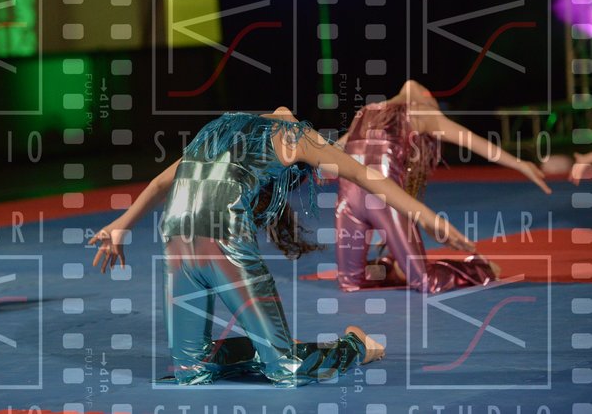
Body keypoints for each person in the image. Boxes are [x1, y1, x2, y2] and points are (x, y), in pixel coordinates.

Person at [90, 107, 473, 387]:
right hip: (178, 243)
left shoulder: (242, 131)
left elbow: (367, 177)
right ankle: (277, 346)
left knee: (286, 372)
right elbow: (367, 176)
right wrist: (120, 226)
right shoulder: (254, 132)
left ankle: (354, 345)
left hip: (213, 240)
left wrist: (123, 224)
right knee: (192, 372)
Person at [335, 80, 552, 294]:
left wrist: (519, 164)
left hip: (385, 200)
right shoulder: (368, 113)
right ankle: (391, 267)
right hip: (350, 200)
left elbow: (472, 141)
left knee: (425, 282)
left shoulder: (409, 113)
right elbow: (333, 152)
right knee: (350, 282)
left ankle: (477, 269)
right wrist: (520, 164)